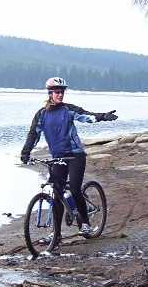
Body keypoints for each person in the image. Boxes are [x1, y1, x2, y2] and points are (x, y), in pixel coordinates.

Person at [20, 77, 118, 247]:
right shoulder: (42, 114)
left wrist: (102, 116)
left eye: (62, 92)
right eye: (57, 92)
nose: (60, 95)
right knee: (57, 195)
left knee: (74, 188)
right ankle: (56, 235)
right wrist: (25, 153)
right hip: (58, 157)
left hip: (75, 155)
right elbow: (33, 134)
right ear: (50, 93)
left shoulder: (68, 109)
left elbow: (86, 116)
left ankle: (86, 224)